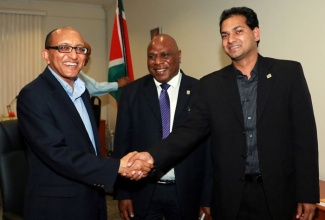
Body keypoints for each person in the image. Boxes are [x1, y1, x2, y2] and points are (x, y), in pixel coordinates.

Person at [128, 7, 319, 220]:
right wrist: (151, 156)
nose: (230, 39)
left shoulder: (288, 74)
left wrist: (308, 193)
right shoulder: (211, 85)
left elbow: (305, 139)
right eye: (224, 35)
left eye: (238, 31)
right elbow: (189, 132)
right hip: (230, 198)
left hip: (278, 195)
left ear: (256, 33)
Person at [17, 26, 152, 220]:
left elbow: (88, 147)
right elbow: (56, 154)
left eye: (80, 49)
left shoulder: (82, 91)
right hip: (57, 207)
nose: (73, 55)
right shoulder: (33, 95)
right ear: (46, 55)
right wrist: (117, 167)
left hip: (91, 197)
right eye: (64, 48)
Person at [113, 34, 213, 220]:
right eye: (152, 56)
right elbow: (122, 144)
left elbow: (208, 150)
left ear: (179, 55)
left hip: (187, 193)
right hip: (143, 192)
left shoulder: (201, 91)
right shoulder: (131, 93)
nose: (158, 62)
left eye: (165, 55)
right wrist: (123, 193)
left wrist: (207, 198)